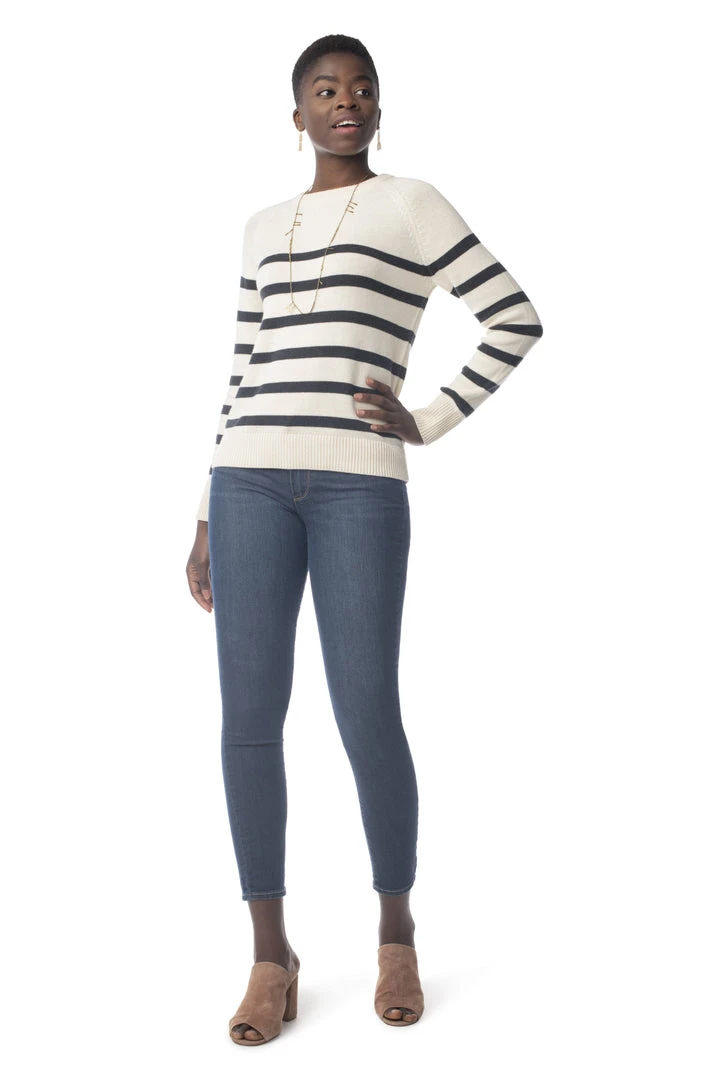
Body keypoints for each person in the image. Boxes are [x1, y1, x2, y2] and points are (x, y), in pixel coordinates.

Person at [185, 33, 543, 1046]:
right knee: (248, 720)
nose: (346, 101)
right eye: (325, 89)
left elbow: (515, 319)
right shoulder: (261, 227)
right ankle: (272, 956)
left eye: (362, 89)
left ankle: (396, 933)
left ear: (378, 108)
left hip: (359, 487)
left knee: (367, 712)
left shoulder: (411, 204)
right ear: (296, 113)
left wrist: (426, 419)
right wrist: (206, 508)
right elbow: (243, 367)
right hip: (247, 482)